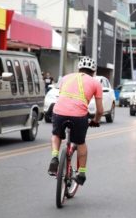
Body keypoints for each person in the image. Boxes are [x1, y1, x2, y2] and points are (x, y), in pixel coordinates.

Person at [47, 56, 103, 186]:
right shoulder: (95, 83)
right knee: (80, 142)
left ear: (78, 69)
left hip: (59, 111)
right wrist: (95, 121)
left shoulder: (66, 77)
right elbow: (100, 110)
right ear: (93, 72)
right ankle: (82, 173)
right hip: (78, 116)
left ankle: (55, 156)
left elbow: (62, 96)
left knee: (56, 135)